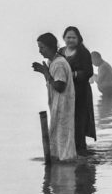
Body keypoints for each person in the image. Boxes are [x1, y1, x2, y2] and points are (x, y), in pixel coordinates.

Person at [32, 33, 77, 162]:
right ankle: (59, 163)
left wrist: (46, 72)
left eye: (42, 47)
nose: (40, 51)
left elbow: (59, 86)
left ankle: (67, 164)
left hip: (64, 106)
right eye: (39, 47)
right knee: (57, 136)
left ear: (51, 47)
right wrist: (44, 72)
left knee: (63, 136)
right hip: (57, 105)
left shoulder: (59, 64)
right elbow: (52, 81)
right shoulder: (51, 62)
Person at [59, 26, 96, 155]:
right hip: (64, 93)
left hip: (80, 93)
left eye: (73, 37)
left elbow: (88, 72)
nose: (70, 40)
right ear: (64, 38)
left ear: (78, 39)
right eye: (68, 37)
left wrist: (73, 74)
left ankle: (80, 150)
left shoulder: (83, 53)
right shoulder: (60, 52)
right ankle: (67, 149)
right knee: (65, 121)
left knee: (79, 121)